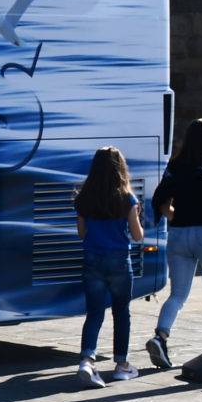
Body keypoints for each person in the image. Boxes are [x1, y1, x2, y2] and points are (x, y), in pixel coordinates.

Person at [147, 118, 202, 368]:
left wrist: (176, 217)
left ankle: (160, 336)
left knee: (178, 295)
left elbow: (161, 202)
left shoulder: (175, 167)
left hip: (179, 234)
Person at [72, 145, 143, 388]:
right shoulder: (127, 198)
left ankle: (87, 360)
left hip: (92, 258)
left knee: (94, 313)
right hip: (119, 260)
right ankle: (122, 365)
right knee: (121, 313)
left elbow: (82, 233)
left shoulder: (84, 198)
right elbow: (137, 235)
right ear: (120, 169)